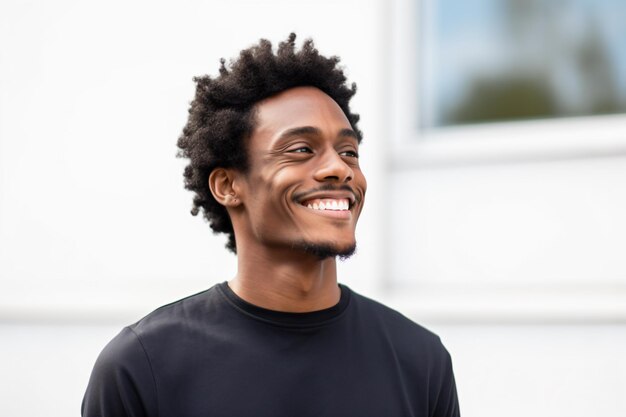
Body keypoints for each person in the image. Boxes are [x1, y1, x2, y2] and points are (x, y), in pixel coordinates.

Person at [82, 33, 460, 417]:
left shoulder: (420, 360)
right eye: (301, 149)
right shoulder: (143, 366)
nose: (339, 169)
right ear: (228, 186)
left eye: (349, 152)